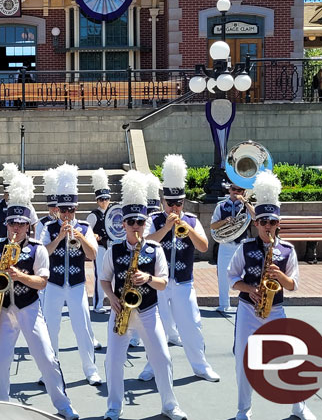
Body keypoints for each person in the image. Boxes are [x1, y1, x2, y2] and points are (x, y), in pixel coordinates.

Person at [0, 172, 80, 420]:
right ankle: (2, 407)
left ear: (28, 226)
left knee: (47, 358)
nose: (15, 228)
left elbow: (42, 282)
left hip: (29, 308)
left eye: (20, 224)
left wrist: (19, 276)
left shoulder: (38, 249)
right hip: (4, 310)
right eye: (11, 223)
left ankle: (63, 405)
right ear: (6, 224)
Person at [228, 171, 316, 420]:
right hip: (248, 309)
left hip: (275, 309)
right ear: (256, 223)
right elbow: (232, 278)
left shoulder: (287, 250)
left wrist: (280, 276)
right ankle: (243, 410)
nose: (268, 227)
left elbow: (293, 285)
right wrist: (250, 290)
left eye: (272, 222)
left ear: (278, 224)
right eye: (263, 222)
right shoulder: (245, 248)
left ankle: (299, 407)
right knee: (242, 360)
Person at [101, 170, 187, 420]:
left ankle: (170, 405)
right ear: (124, 224)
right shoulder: (114, 250)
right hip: (120, 313)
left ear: (145, 223)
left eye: (140, 222)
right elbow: (105, 279)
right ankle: (114, 407)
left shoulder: (155, 249)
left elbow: (163, 283)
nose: (136, 226)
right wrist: (112, 298)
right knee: (113, 362)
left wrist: (148, 278)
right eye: (131, 222)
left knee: (162, 357)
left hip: (148, 311)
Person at [139, 154, 220, 383]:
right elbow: (145, 244)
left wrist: (186, 227)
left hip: (184, 282)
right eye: (170, 203)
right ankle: (152, 366)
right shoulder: (154, 220)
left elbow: (204, 246)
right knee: (156, 327)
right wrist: (166, 227)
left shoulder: (192, 220)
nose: (175, 207)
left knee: (191, 325)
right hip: (158, 283)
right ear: (163, 202)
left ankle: (201, 366)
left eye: (179, 203)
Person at [41, 163, 102, 386]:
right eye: (63, 210)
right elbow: (43, 254)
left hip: (76, 285)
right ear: (57, 209)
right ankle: (49, 370)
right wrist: (59, 238)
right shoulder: (48, 228)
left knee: (82, 327)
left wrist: (80, 235)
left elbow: (93, 255)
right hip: (54, 284)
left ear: (76, 209)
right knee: (50, 328)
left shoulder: (85, 227)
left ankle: (90, 370)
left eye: (71, 210)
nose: (67, 214)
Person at [210, 182, 254, 313]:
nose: (236, 192)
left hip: (241, 244)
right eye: (234, 189)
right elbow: (213, 226)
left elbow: (256, 216)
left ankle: (245, 302)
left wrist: (245, 202)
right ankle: (224, 304)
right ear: (229, 190)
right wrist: (225, 221)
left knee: (246, 274)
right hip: (225, 244)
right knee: (223, 275)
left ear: (244, 192)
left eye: (240, 190)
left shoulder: (247, 206)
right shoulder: (221, 206)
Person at [87, 168, 112, 314]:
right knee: (100, 275)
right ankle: (98, 304)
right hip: (101, 247)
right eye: (101, 199)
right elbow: (87, 230)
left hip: (113, 247)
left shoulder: (114, 212)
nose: (104, 202)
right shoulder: (93, 215)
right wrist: (93, 236)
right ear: (97, 200)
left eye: (107, 199)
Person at [0, 163, 20, 239]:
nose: (9, 195)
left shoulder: (26, 204)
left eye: (11, 193)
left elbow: (34, 223)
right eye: (7, 193)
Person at [36, 168, 59, 241]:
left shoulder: (65, 221)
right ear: (48, 207)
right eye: (52, 206)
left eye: (57, 206)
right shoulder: (42, 223)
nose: (55, 209)